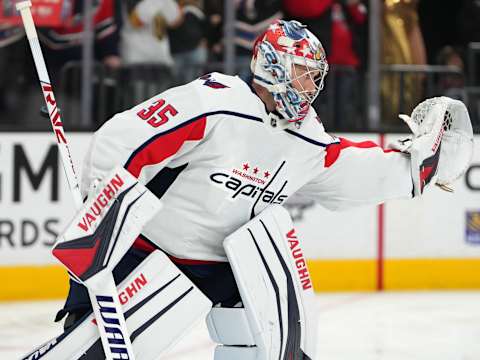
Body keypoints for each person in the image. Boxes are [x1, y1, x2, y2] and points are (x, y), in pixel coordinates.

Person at [51, 19, 471, 358]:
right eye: (302, 75)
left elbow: (348, 168)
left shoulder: (305, 137)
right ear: (271, 66)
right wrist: (100, 212)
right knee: (85, 350)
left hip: (222, 266)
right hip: (142, 252)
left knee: (269, 343)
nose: (309, 88)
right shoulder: (215, 103)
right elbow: (124, 139)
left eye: (314, 78)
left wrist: (416, 169)